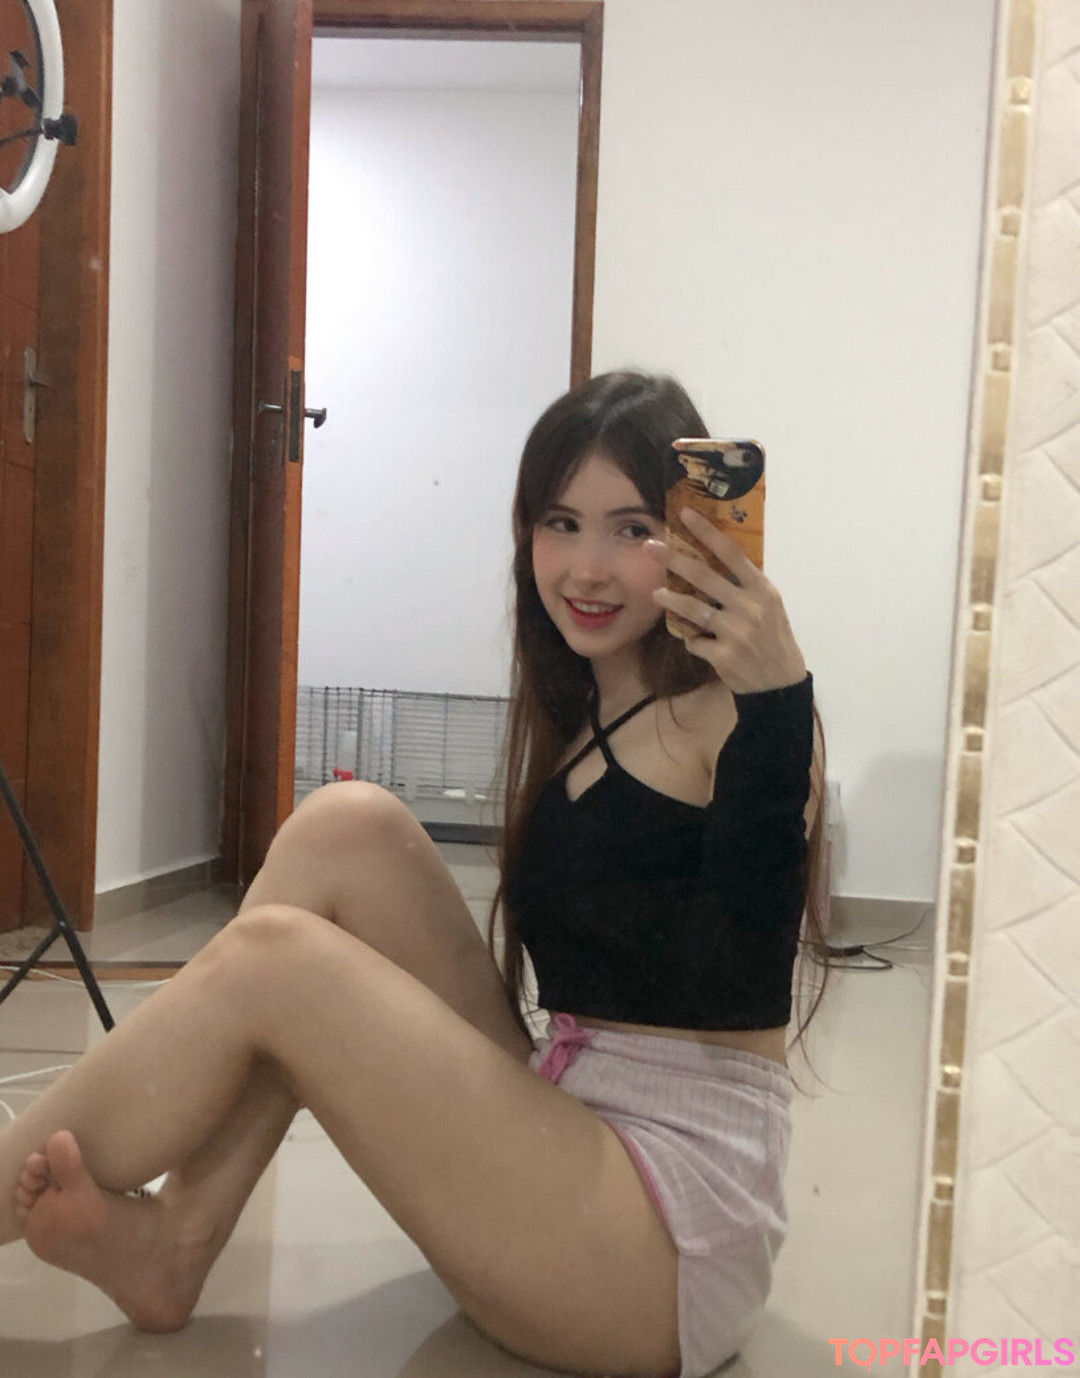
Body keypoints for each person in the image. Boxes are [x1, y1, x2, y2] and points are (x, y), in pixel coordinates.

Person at [0, 371, 827, 1378]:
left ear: (694, 537)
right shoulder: (586, 716)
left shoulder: (736, 717)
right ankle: (181, 1238)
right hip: (576, 1122)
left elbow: (740, 981)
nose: (589, 566)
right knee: (344, 826)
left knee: (277, 961)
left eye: (634, 529)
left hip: (669, 1242)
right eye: (562, 523)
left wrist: (779, 699)